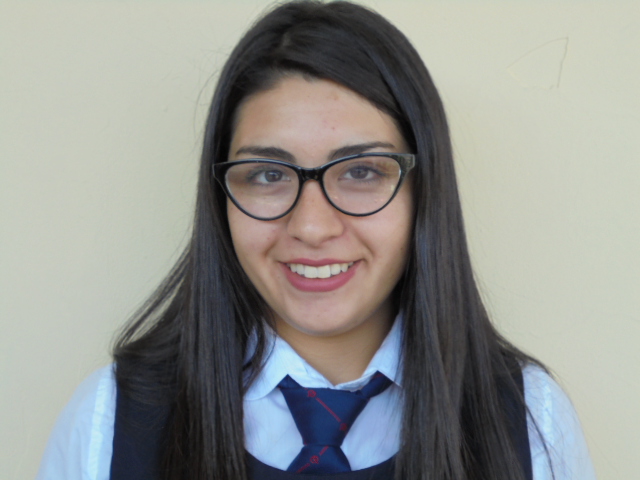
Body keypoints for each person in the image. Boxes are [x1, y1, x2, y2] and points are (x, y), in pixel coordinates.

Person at [36, 1, 596, 479]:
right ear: (219, 197)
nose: (311, 226)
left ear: (425, 192)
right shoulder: (108, 424)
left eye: (361, 172)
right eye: (267, 175)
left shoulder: (530, 421)